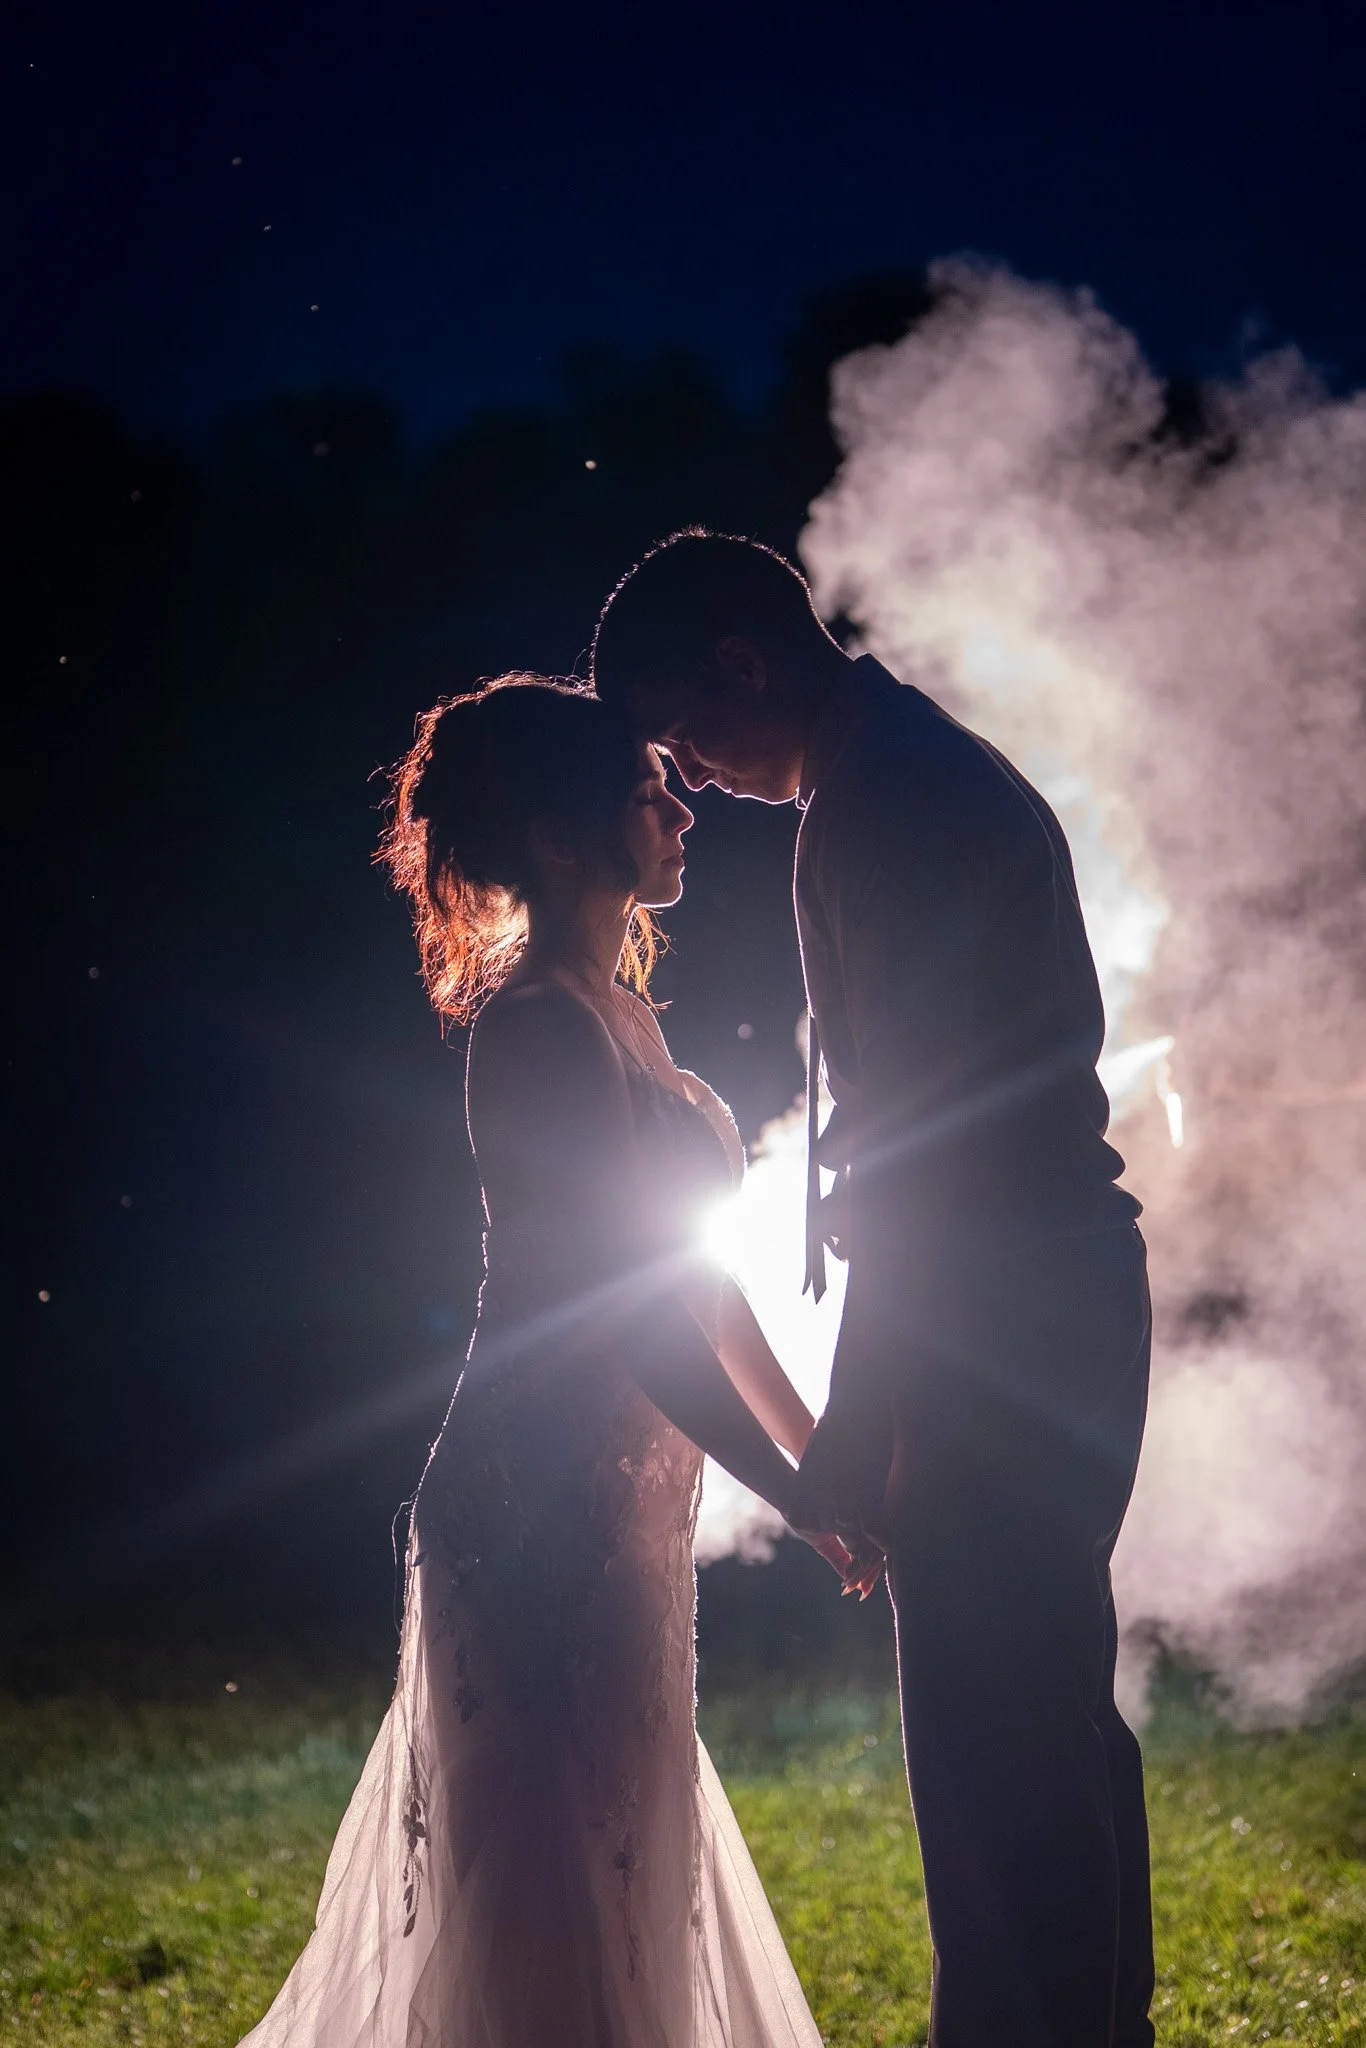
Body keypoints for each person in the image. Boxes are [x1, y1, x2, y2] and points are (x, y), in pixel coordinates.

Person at [592, 532, 1156, 2048]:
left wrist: (853, 1416)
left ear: (740, 661)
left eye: (685, 734)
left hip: (1000, 1297)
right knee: (1039, 1705)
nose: (689, 779)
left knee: (991, 1729)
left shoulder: (892, 801)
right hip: (1032, 1281)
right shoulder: (881, 776)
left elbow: (927, 1147)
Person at [239, 673, 847, 2048]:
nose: (680, 805)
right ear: (567, 838)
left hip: (625, 1504)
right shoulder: (538, 1030)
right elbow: (623, 1315)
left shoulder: (623, 1013)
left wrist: (817, 1453)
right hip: (536, 1513)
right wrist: (800, 1494)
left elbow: (697, 1277)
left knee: (620, 1839)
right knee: (549, 1871)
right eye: (649, 791)